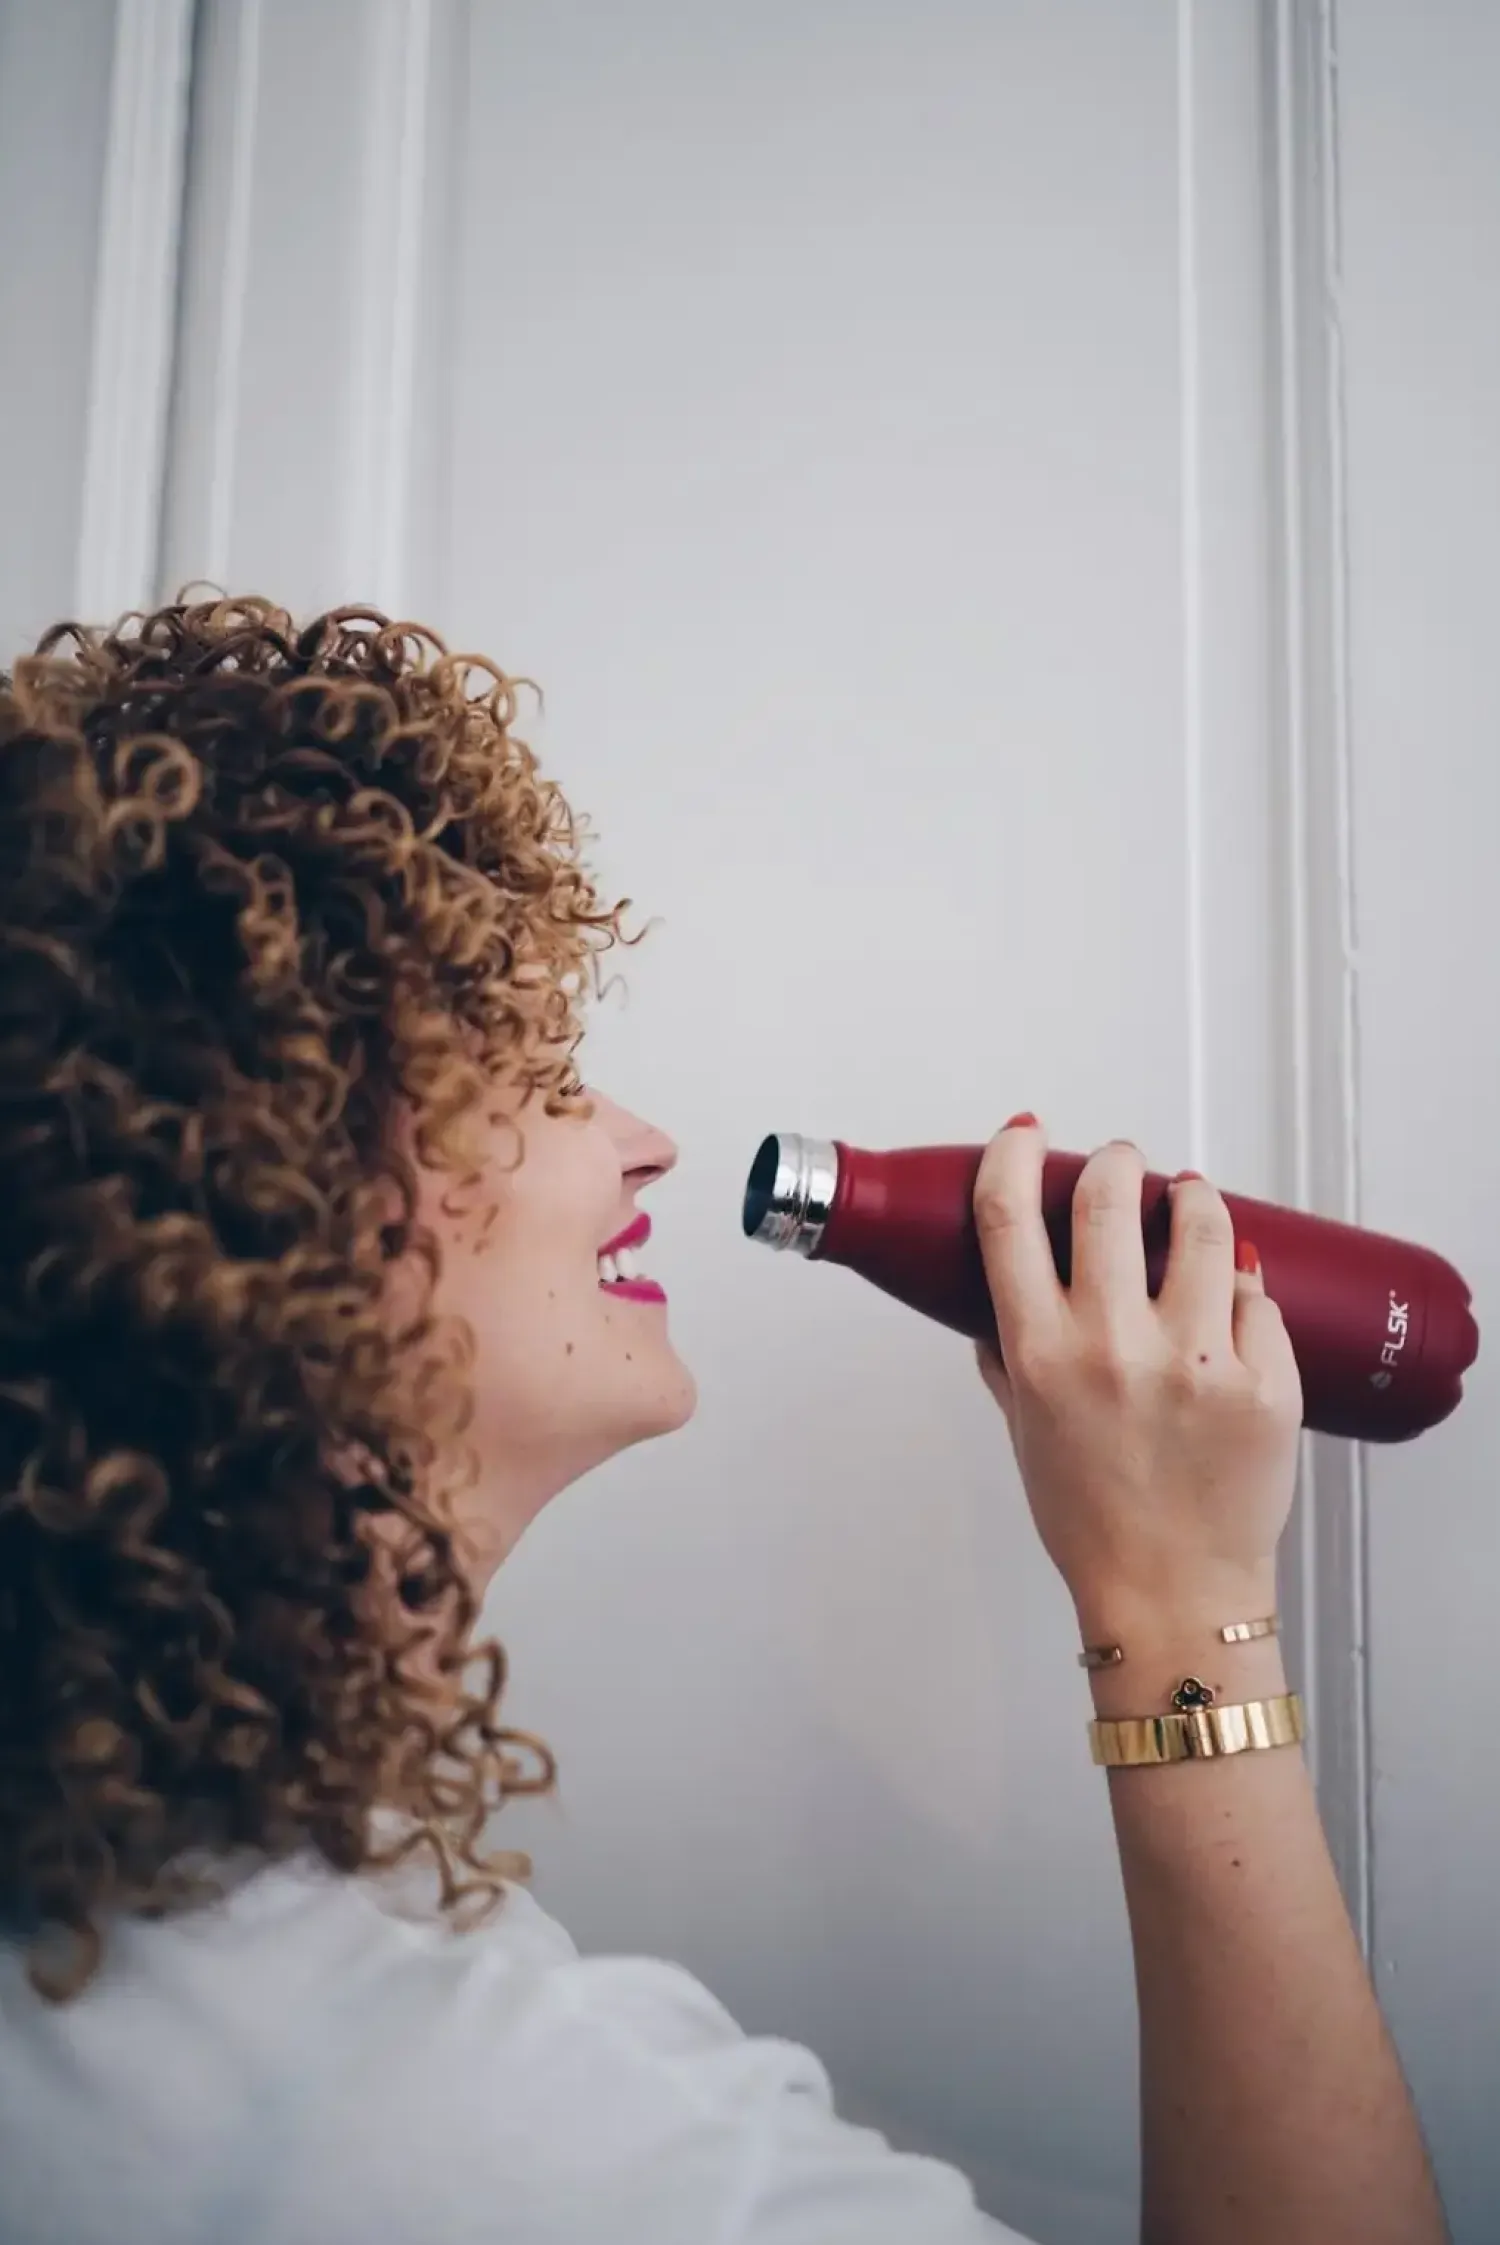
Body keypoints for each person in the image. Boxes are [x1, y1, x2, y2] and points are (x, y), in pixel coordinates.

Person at [0, 597, 1445, 2245]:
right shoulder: (470, 2131)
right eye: (531, 1071)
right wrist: (1183, 1606)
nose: (644, 1139)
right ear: (261, 1202)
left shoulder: (151, 1932)